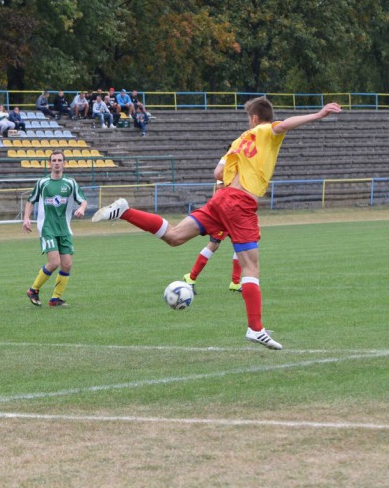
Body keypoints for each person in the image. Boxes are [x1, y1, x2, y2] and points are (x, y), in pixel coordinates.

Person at [92, 98, 343, 350]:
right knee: (251, 267)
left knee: (175, 236)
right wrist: (318, 115)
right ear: (260, 119)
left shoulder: (239, 140)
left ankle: (125, 212)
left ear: (252, 117)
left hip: (220, 198)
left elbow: (217, 173)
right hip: (239, 203)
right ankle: (255, 329)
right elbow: (284, 125)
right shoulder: (264, 130)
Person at [22, 151, 87, 307]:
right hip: (47, 228)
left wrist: (82, 209)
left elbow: (83, 200)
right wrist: (26, 219)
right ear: (49, 163)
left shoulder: (70, 183)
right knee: (54, 262)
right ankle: (33, 289)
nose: (57, 163)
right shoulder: (43, 183)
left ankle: (55, 299)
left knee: (67, 264)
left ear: (64, 163)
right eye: (54, 160)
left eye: (59, 160)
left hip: (64, 229)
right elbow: (31, 201)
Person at [183, 161, 243, 294]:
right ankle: (191, 277)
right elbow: (220, 191)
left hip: (232, 213)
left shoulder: (238, 168)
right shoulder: (227, 168)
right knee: (214, 244)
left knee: (241, 243)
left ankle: (235, 282)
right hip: (223, 214)